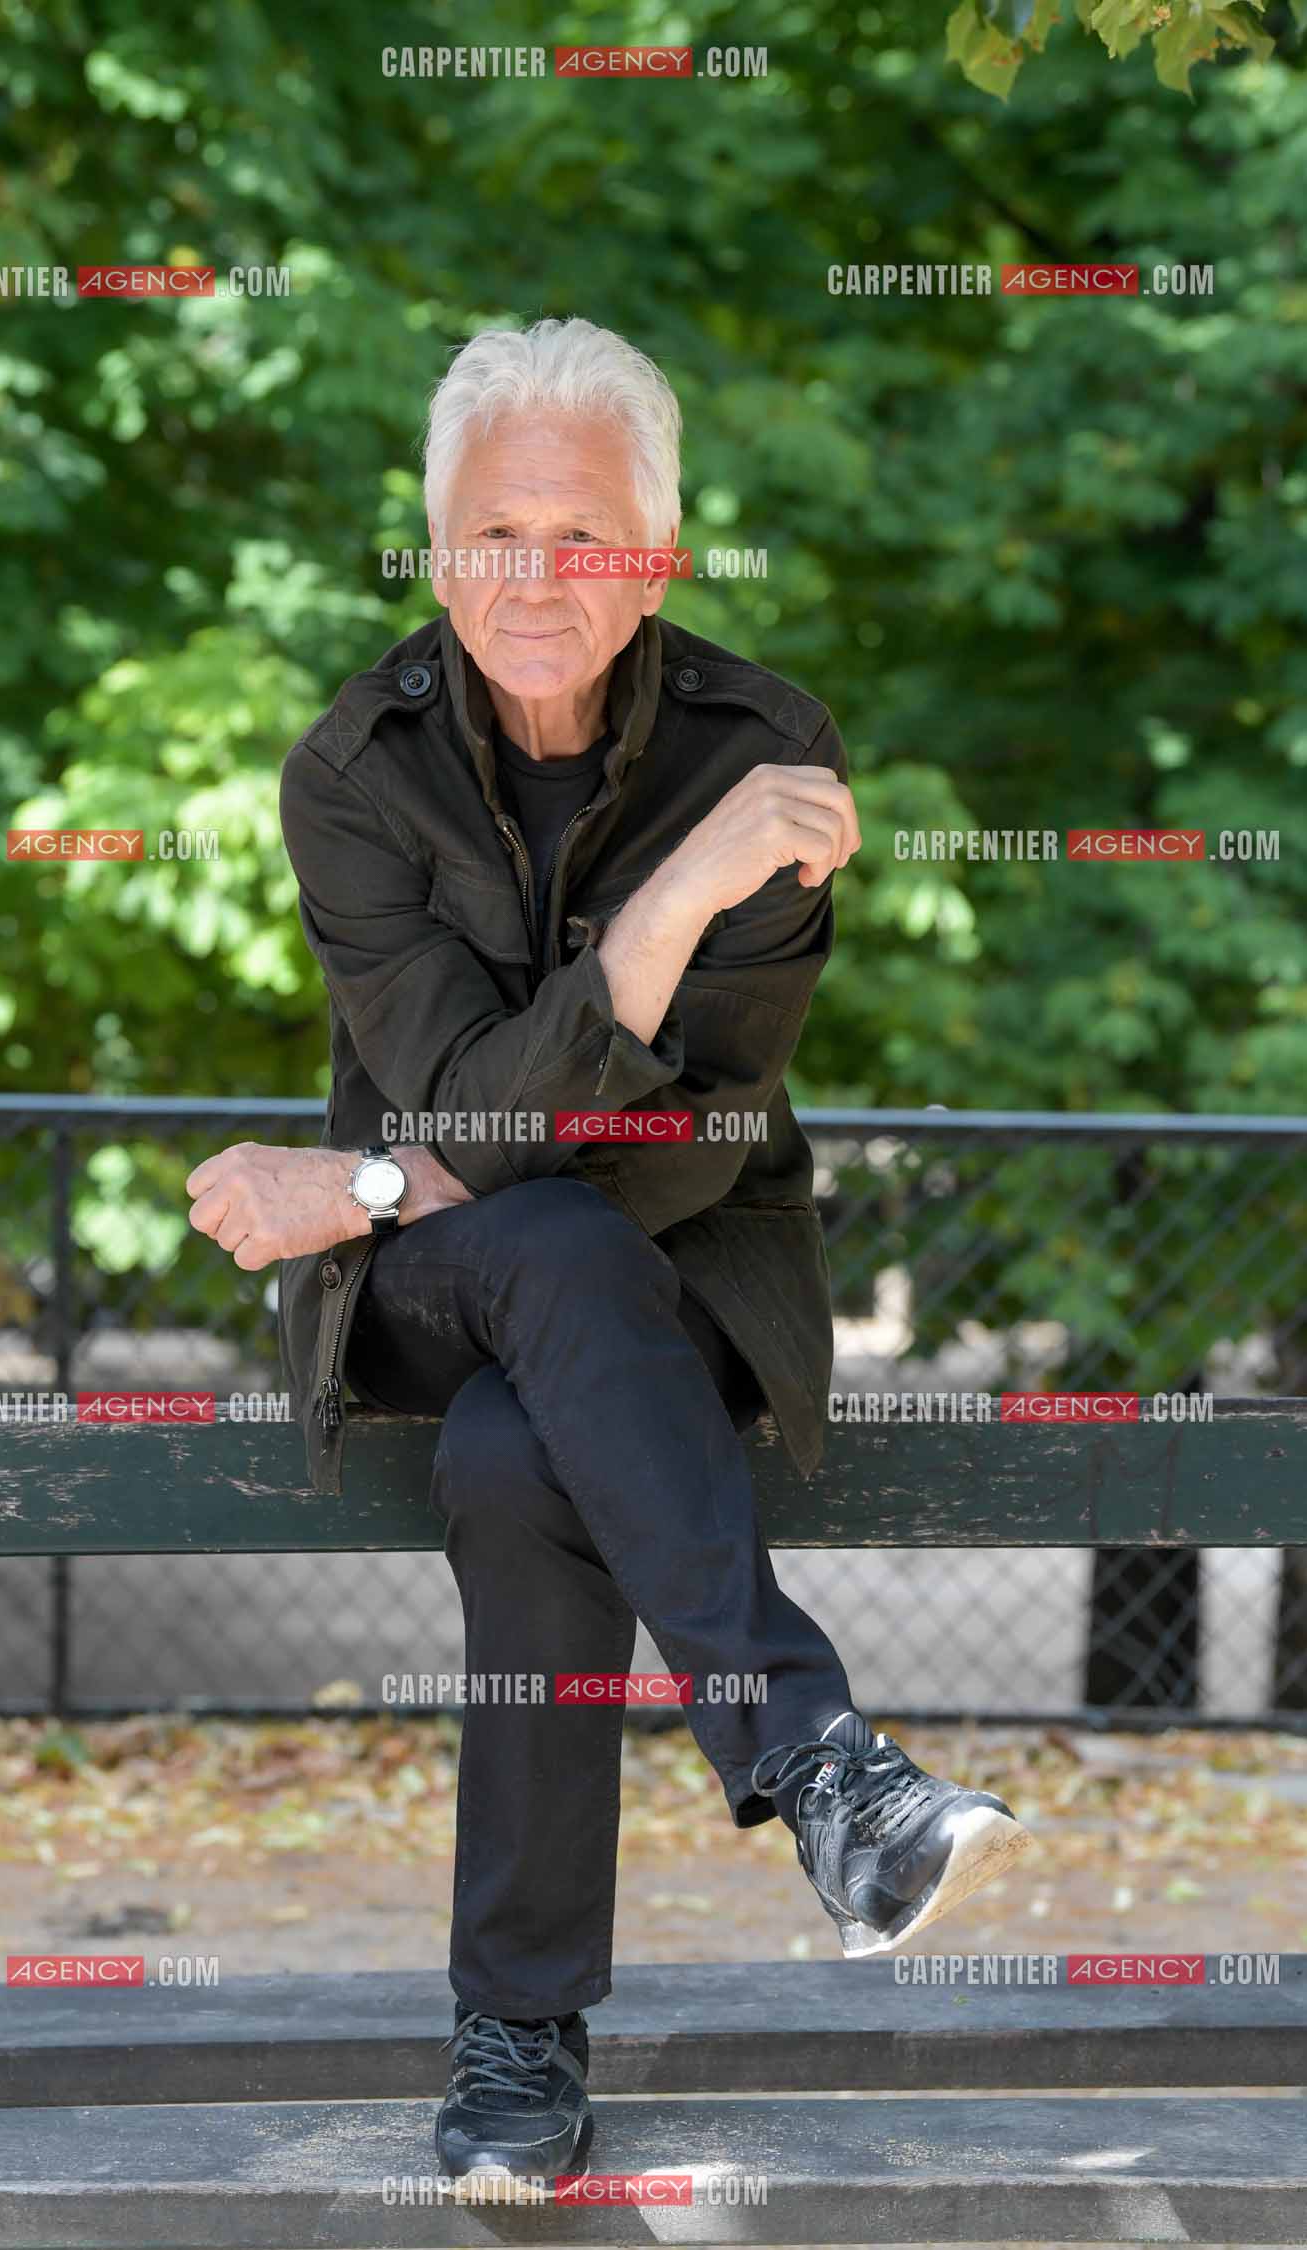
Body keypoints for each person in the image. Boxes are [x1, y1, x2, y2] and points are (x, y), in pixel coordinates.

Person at [186, 316, 1031, 2201]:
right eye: (492, 535)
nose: (532, 579)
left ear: (655, 552)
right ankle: (822, 1762)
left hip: (678, 1277)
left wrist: (368, 1177)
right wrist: (665, 899)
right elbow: (471, 1109)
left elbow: (686, 1132)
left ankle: (517, 2046)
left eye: (580, 537)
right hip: (419, 1294)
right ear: (432, 550)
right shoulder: (354, 770)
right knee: (532, 1245)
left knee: (519, 1440)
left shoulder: (769, 745)